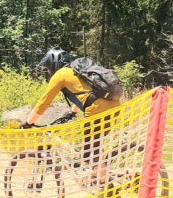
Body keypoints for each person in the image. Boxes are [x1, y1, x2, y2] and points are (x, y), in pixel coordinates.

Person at [19, 48, 123, 182]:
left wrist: (28, 122)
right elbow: (87, 93)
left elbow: (44, 101)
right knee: (95, 146)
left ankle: (106, 188)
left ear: (53, 64)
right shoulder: (77, 70)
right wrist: (72, 112)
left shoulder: (61, 74)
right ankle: (99, 175)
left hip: (97, 110)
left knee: (88, 153)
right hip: (114, 105)